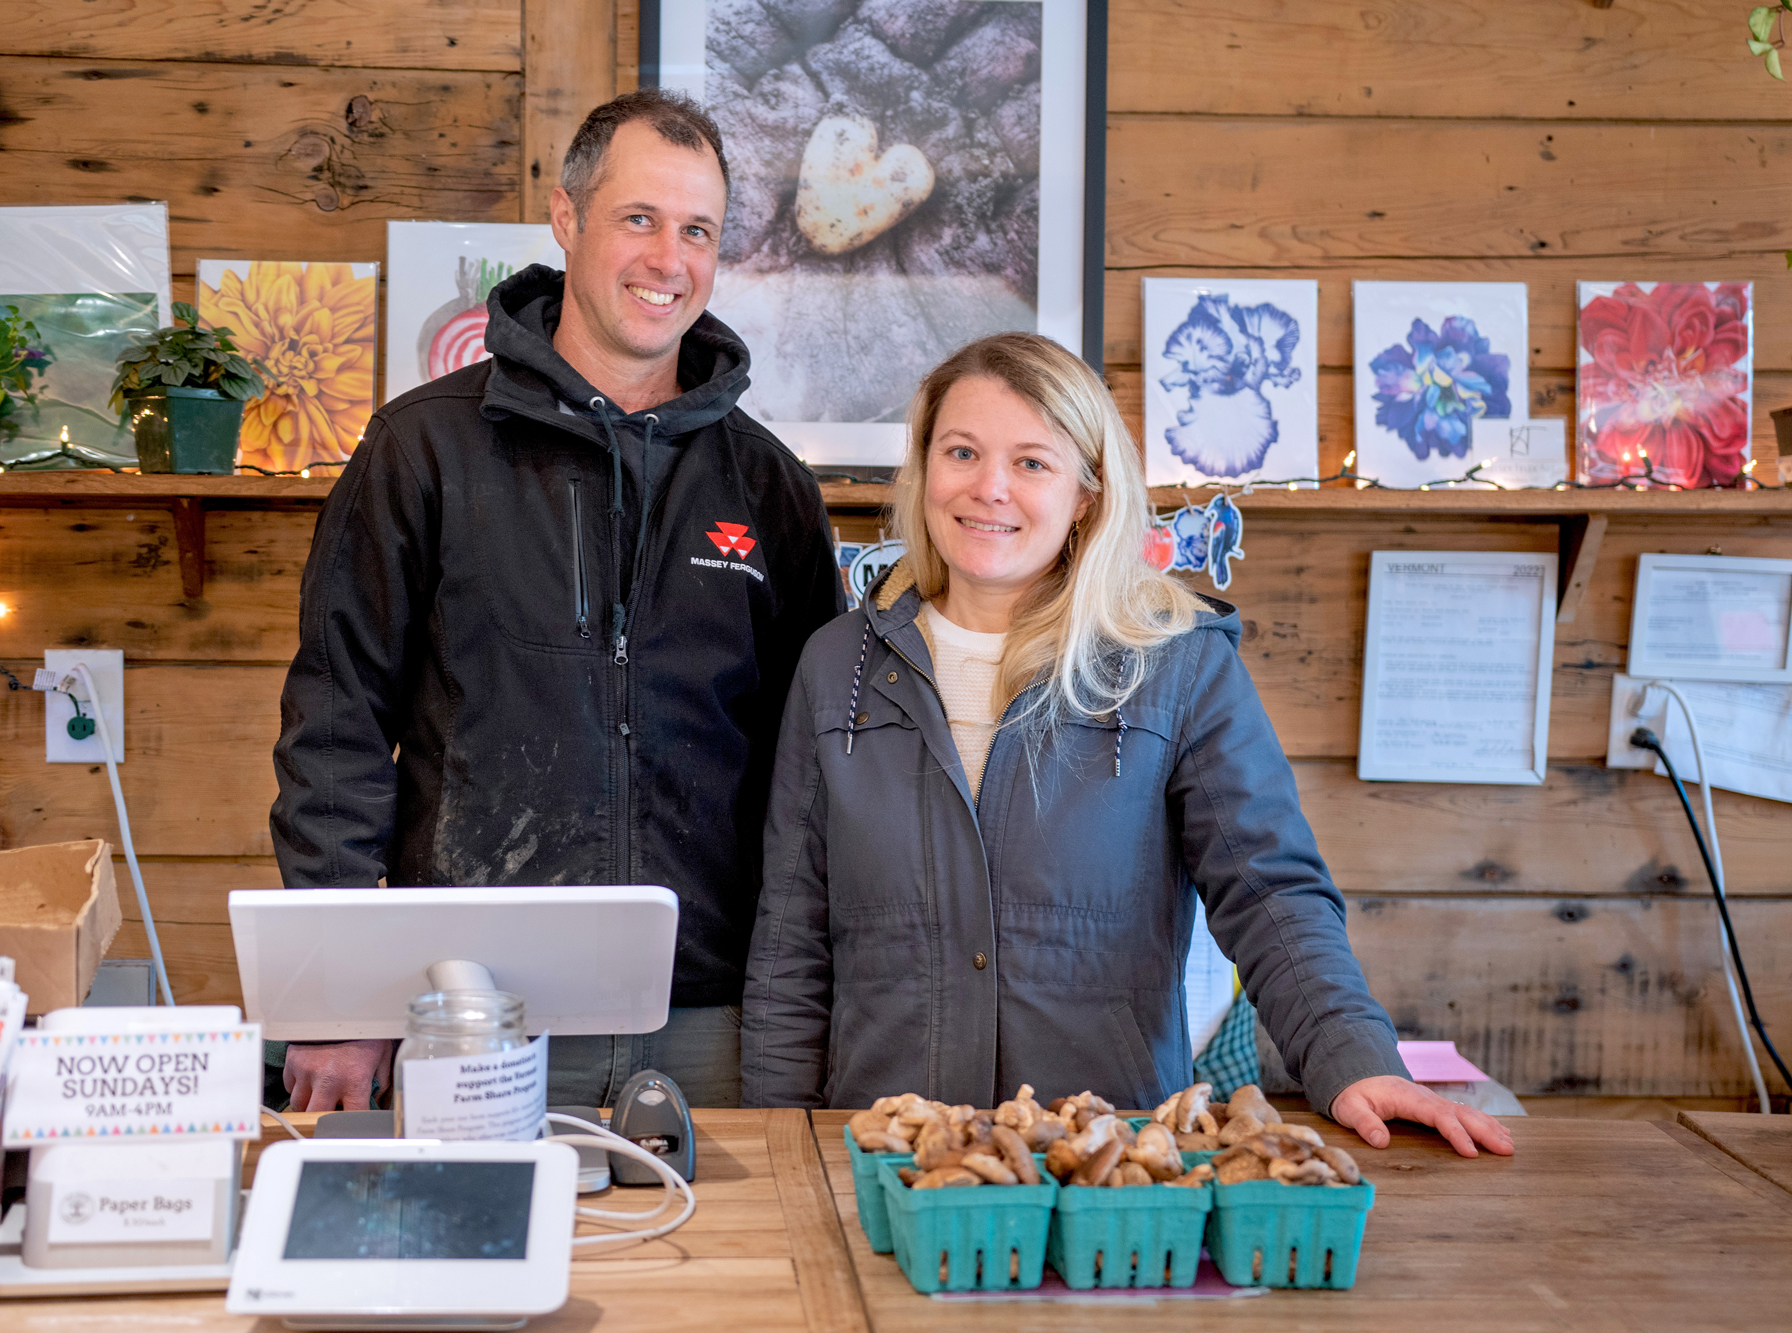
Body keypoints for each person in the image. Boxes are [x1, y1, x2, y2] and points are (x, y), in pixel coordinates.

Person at [741, 332, 1513, 1158]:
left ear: (1085, 494)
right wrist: (782, 1147)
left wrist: (1355, 1060)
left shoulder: (1175, 662)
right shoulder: (838, 666)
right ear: (925, 469)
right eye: (961, 451)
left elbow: (1271, 893)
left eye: (1033, 462)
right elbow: (792, 944)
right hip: (891, 1159)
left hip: (1110, 1173)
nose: (989, 487)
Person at [270, 89, 843, 1113]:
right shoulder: (423, 449)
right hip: (469, 1012)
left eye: (697, 230)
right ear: (567, 218)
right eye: (638, 219)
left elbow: (816, 770)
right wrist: (338, 992)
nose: (669, 260)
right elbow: (335, 725)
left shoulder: (770, 489)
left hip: (712, 1028)